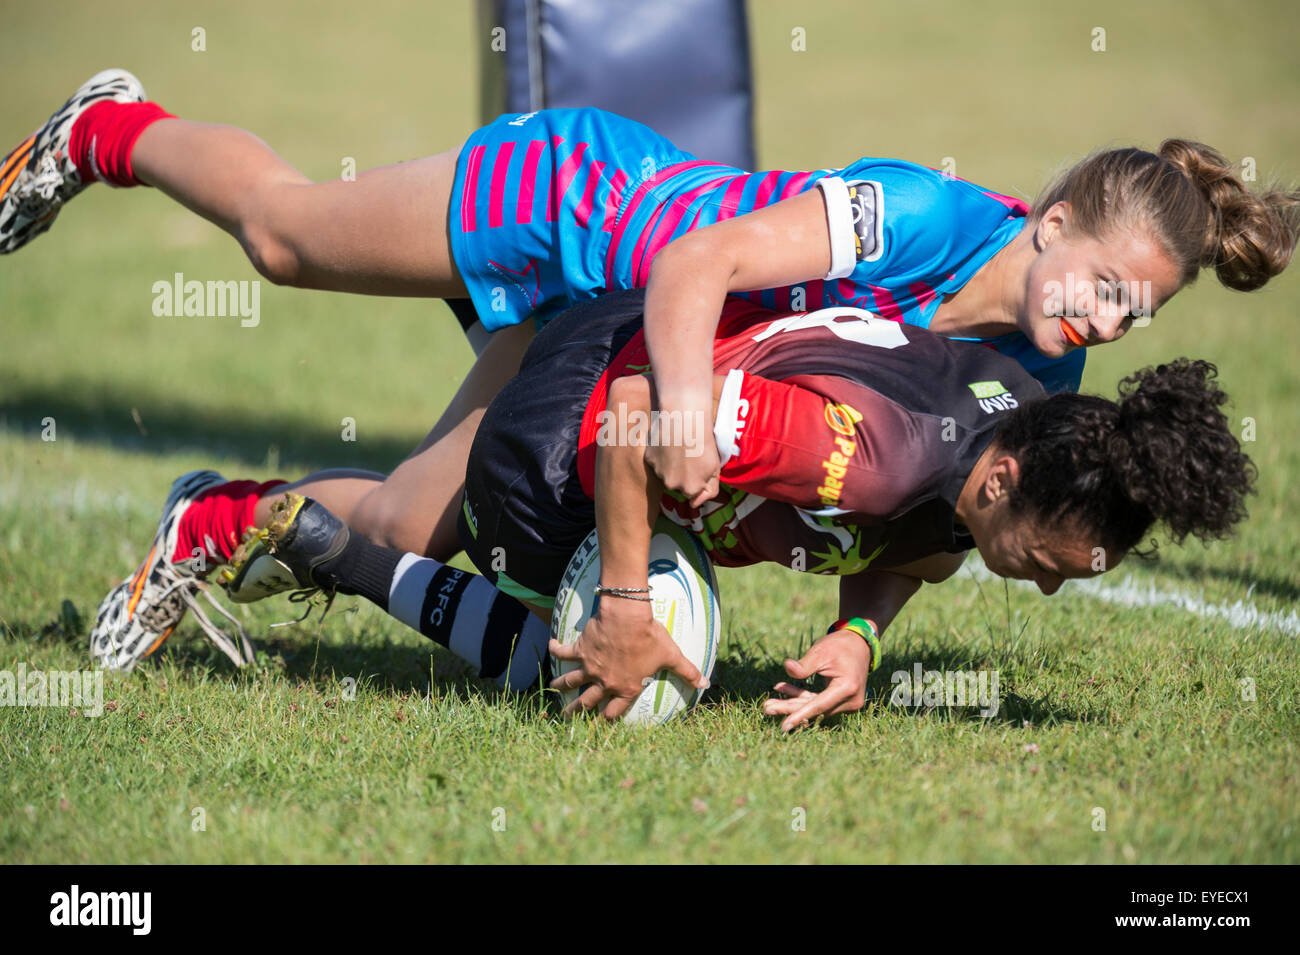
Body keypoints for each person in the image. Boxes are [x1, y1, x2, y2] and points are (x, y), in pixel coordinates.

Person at [6, 70, 1293, 561]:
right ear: (1055, 218)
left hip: (608, 337)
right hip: (584, 212)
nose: (1112, 320)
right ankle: (108, 131)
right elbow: (693, 264)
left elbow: (946, 502)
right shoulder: (920, 214)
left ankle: (216, 514)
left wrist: (856, 635)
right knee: (286, 238)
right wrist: (681, 417)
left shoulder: (1024, 366)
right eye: (1110, 284)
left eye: (1141, 311)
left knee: (412, 524)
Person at [91, 291, 1255, 732]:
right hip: (586, 413)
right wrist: (622, 606)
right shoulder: (862, 457)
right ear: (1005, 481)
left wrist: (860, 631)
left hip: (633, 342)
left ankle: (270, 523)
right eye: (1051, 563)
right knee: (624, 681)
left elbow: (933, 543)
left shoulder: (1017, 415)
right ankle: (292, 542)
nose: (1046, 583)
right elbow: (640, 420)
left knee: (409, 515)